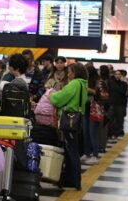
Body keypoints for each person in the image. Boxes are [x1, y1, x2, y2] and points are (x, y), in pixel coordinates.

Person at [49, 63, 88, 191]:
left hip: (69, 120)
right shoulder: (83, 84)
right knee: (72, 150)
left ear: (75, 72)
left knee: (71, 151)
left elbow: (59, 99)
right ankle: (70, 180)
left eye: (70, 71)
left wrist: (51, 95)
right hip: (77, 119)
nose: (68, 74)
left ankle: (75, 181)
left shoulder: (74, 84)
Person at [107, 70, 128, 139]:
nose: (117, 75)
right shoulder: (110, 83)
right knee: (110, 120)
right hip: (112, 103)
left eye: (119, 74)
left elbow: (123, 92)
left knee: (119, 120)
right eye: (116, 74)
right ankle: (110, 133)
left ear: (121, 75)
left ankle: (116, 134)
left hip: (120, 104)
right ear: (114, 75)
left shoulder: (124, 84)